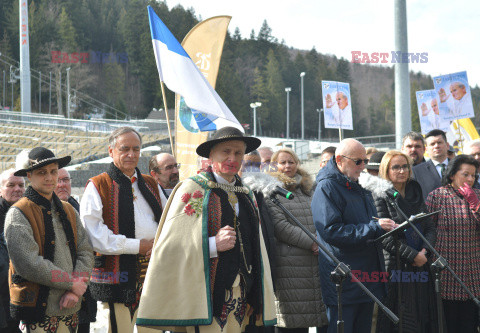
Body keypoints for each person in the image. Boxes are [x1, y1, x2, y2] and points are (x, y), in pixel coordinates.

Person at [135, 126, 276, 332]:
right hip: (205, 294)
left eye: (238, 153)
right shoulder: (194, 189)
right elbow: (169, 247)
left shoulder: (246, 193)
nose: (232, 158)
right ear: (211, 155)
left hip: (242, 295)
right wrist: (212, 244)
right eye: (225, 152)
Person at [80, 127, 163, 333]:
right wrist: (138, 246)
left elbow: (167, 220)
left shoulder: (151, 183)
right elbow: (94, 235)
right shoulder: (98, 185)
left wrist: (159, 244)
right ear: (111, 151)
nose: (131, 154)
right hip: (117, 273)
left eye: (136, 149)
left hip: (153, 267)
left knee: (153, 328)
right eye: (124, 149)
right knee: (119, 328)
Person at [4, 147, 94, 332]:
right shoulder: (18, 213)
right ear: (29, 175)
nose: (49, 177)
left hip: (72, 306)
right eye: (42, 172)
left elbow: (85, 250)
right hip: (39, 310)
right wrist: (72, 283)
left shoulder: (69, 209)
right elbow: (29, 263)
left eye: (53, 171)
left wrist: (75, 290)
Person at [312, 138, 394, 333]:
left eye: (365, 161)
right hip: (345, 277)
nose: (363, 166)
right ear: (340, 159)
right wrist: (374, 227)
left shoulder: (359, 184)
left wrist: (388, 226)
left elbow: (367, 220)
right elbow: (331, 231)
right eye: (358, 161)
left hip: (366, 275)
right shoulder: (327, 187)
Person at [364, 150, 438, 332]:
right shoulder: (378, 194)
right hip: (396, 267)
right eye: (395, 167)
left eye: (405, 166)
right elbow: (384, 238)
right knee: (400, 319)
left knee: (422, 316)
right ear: (385, 170)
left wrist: (424, 253)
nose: (401, 171)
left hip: (422, 263)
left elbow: (429, 226)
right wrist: (413, 256)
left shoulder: (415, 190)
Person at [265, 148, 328, 333]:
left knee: (315, 316)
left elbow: (319, 216)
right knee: (293, 323)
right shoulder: (271, 191)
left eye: (291, 162)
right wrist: (312, 242)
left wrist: (321, 240)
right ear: (274, 165)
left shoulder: (308, 189)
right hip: (290, 266)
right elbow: (280, 227)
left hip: (315, 263)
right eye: (282, 162)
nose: (287, 166)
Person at [425, 155, 480, 332]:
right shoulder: (437, 196)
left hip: (472, 274)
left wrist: (475, 205)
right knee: (447, 323)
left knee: (469, 324)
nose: (470, 179)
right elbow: (427, 230)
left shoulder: (478, 196)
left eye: (473, 175)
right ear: (452, 175)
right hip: (447, 272)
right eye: (466, 174)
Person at [55, 168, 97, 333]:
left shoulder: (79, 209)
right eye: (58, 180)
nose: (62, 185)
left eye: (66, 180)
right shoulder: (40, 212)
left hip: (82, 292)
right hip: (56, 293)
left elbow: (87, 250)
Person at [0, 168, 24, 333]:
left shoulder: (28, 213)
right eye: (11, 185)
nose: (17, 189)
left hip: (21, 297)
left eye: (21, 185)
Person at [413, 129, 450, 200]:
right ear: (426, 149)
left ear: (447, 145)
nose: (436, 146)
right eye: (432, 144)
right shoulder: (417, 171)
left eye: (439, 142)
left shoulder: (459, 166)